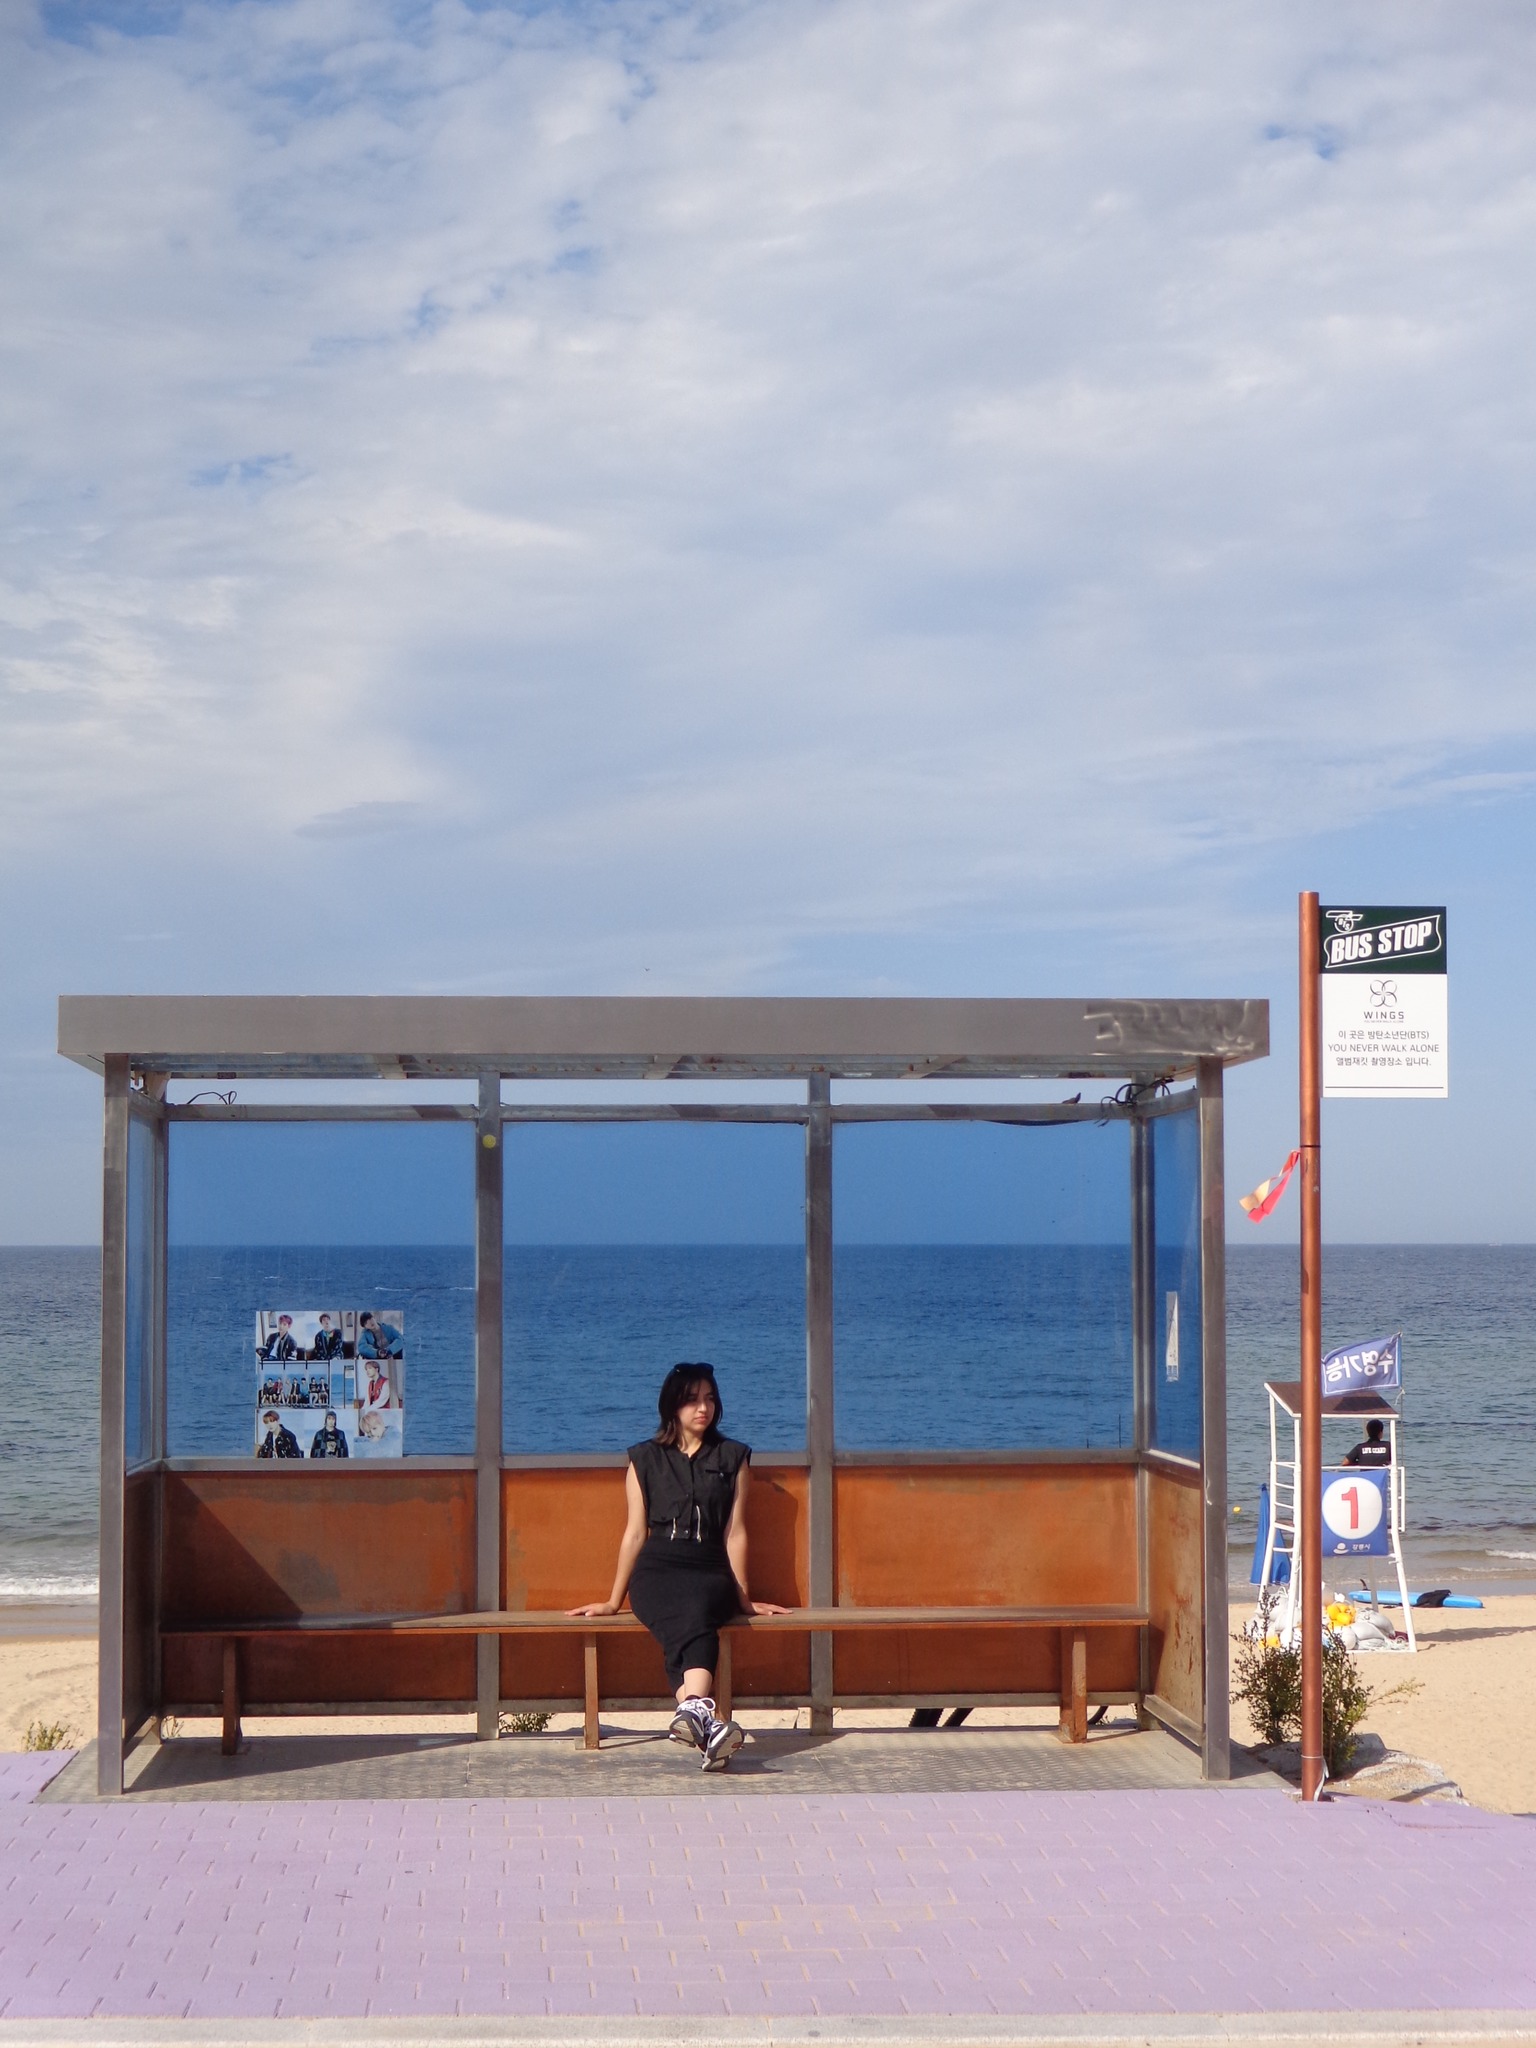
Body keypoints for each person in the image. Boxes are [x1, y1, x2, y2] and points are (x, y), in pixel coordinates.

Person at [568, 1362, 788, 1771]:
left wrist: (743, 1598)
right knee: (687, 1618)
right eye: (692, 1400)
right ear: (672, 1406)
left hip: (710, 1569)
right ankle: (707, 1718)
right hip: (657, 1570)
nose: (703, 1408)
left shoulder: (733, 1457)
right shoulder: (644, 1459)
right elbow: (635, 1533)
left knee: (696, 1613)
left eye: (709, 1399)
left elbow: (735, 1533)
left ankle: (694, 1711)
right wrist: (614, 1600)